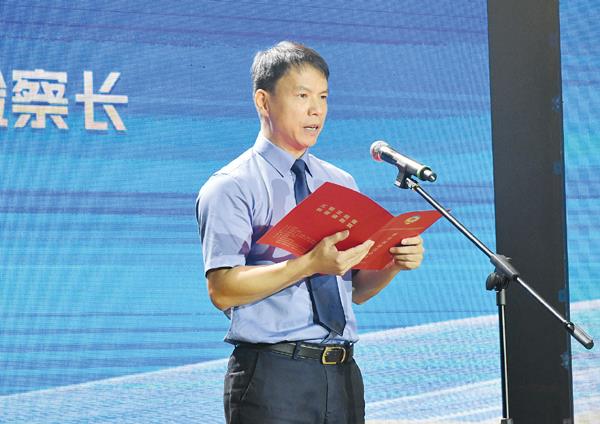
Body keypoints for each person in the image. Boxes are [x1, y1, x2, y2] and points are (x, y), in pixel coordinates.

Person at [196, 41, 424, 424]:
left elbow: (355, 290)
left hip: (342, 373)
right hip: (273, 375)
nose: (316, 110)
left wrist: (393, 264)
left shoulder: (339, 182)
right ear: (263, 102)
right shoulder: (232, 185)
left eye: (323, 97)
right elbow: (222, 289)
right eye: (302, 96)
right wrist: (309, 264)